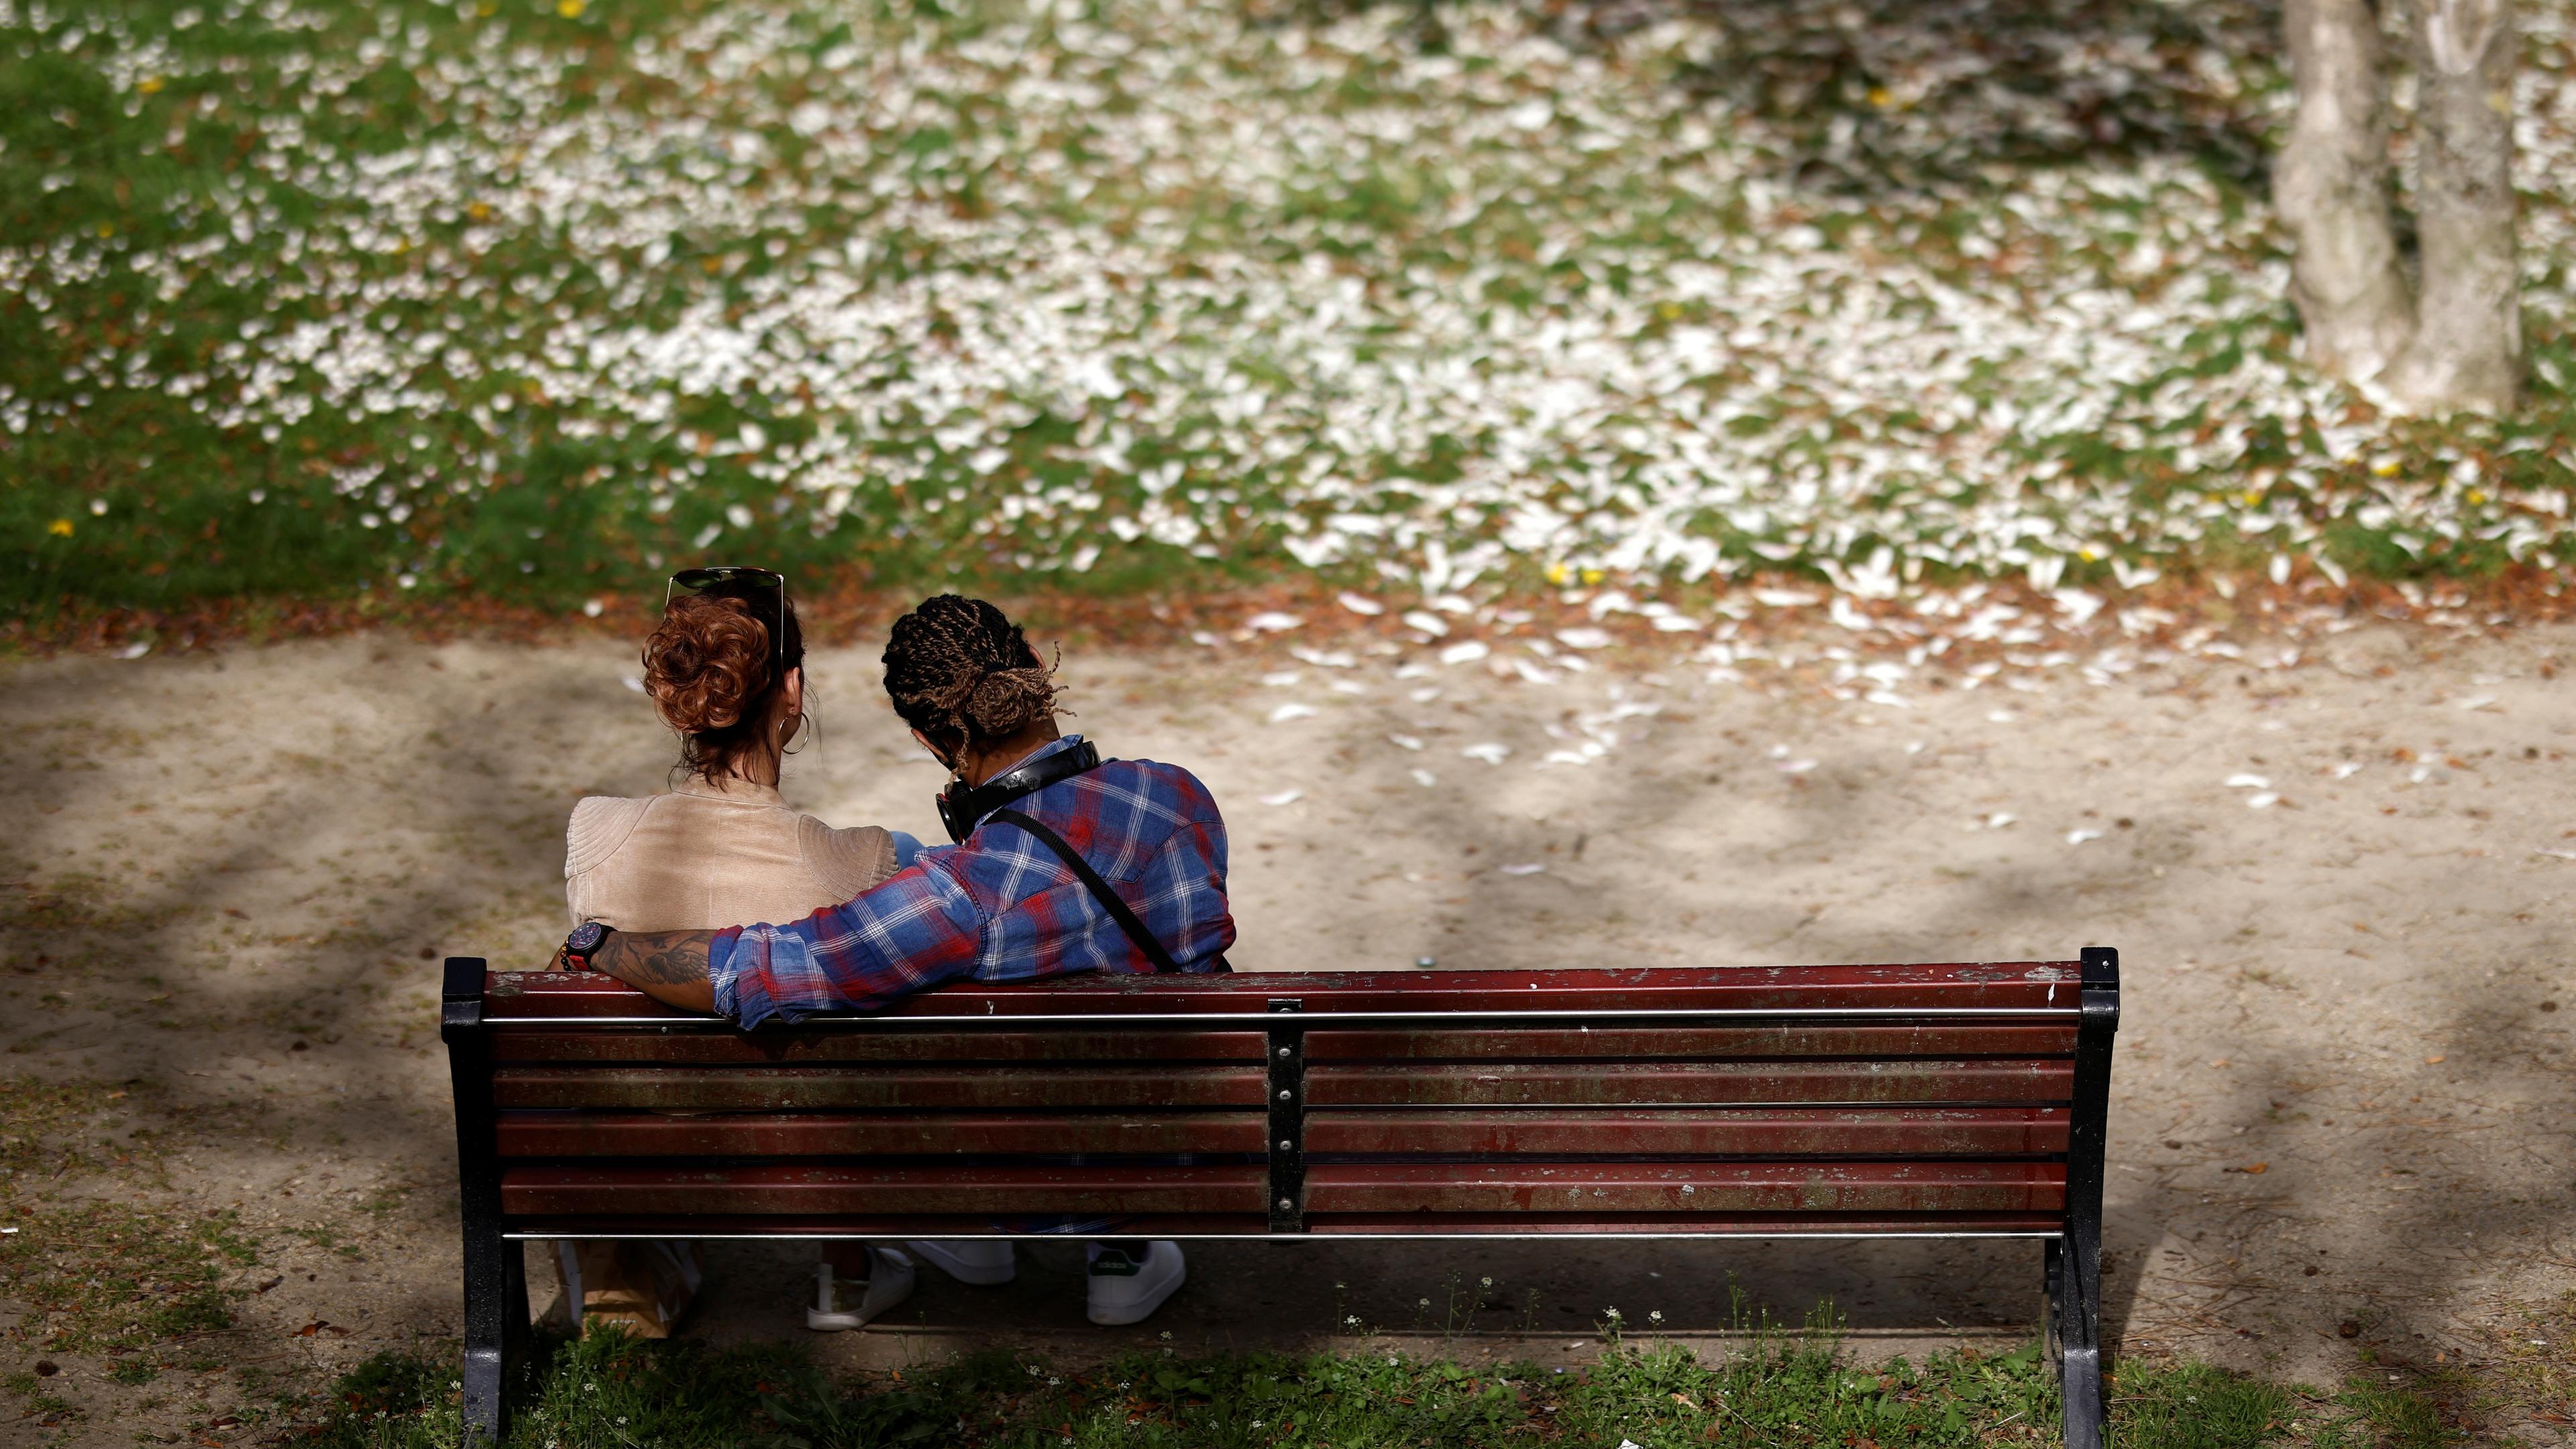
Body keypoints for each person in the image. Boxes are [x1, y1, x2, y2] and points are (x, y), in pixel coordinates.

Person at [552, 594, 1236, 1327]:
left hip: (1014, 1188)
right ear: (1034, 666)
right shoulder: (1175, 797)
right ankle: (1122, 1257)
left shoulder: (955, 895)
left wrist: (607, 944)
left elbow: (763, 970)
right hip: (1177, 1151)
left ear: (927, 738)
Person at [559, 566, 924, 1336]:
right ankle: (848, 1270)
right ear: (791, 691)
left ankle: (638, 1264)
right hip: (803, 1157)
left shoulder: (595, 830)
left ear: (676, 697)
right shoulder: (865, 861)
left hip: (647, 1149)